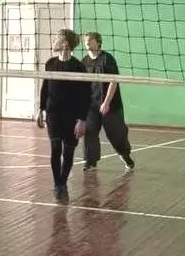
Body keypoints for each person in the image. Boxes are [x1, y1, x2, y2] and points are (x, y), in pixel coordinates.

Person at [36, 29, 91, 201]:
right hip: (53, 113)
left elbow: (85, 95)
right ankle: (57, 184)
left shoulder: (79, 67)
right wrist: (40, 109)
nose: (55, 41)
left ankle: (63, 182)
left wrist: (82, 120)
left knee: (68, 152)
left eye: (58, 39)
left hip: (72, 116)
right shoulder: (50, 63)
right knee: (55, 149)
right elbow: (45, 87)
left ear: (67, 43)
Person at [82, 32, 135, 172]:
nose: (87, 41)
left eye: (90, 39)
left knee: (116, 135)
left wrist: (106, 102)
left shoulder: (107, 59)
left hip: (111, 105)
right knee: (90, 131)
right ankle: (91, 161)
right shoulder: (84, 62)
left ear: (98, 42)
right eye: (86, 40)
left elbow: (113, 81)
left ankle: (125, 155)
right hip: (92, 105)